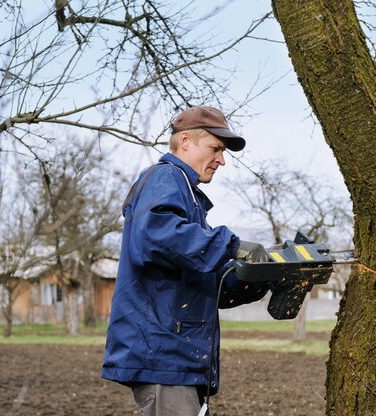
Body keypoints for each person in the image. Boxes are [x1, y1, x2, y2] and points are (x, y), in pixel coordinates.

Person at [101, 106, 270, 416]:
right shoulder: (164, 177)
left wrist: (261, 275)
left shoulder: (187, 197)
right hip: (163, 356)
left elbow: (213, 285)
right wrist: (233, 245)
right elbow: (155, 236)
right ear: (186, 141)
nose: (222, 159)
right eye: (215, 148)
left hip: (179, 360)